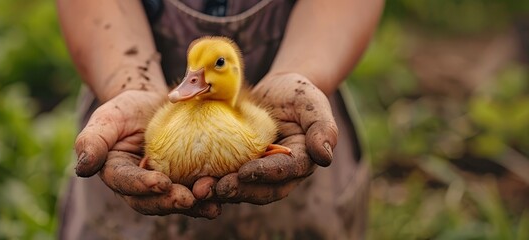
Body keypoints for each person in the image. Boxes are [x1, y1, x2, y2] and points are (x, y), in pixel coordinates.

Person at [57, 0, 383, 239]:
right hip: (120, 68)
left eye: (214, 67)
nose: (193, 80)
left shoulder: (253, 120)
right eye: (193, 72)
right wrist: (126, 80)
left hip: (304, 199)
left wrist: (300, 74)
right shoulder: (167, 121)